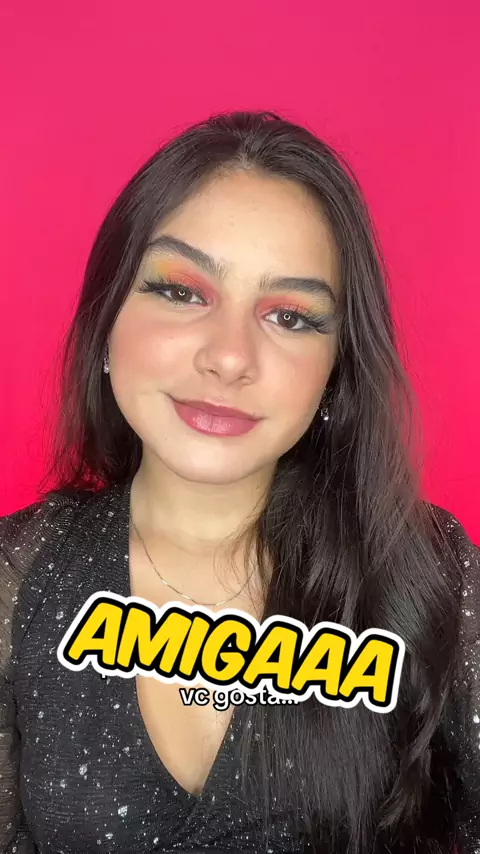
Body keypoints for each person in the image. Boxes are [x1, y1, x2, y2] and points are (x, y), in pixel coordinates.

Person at [0, 110, 479, 854]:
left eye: (290, 316)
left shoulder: (430, 567)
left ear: (335, 370)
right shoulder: (19, 573)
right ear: (107, 321)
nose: (229, 357)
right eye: (182, 292)